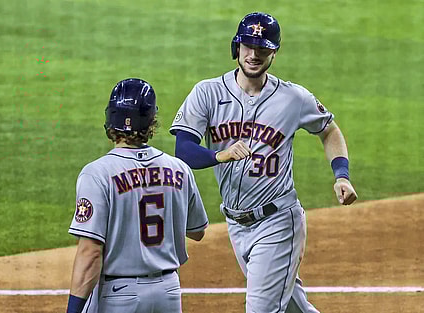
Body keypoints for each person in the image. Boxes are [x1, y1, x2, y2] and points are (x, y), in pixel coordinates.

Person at [170, 12, 358, 313]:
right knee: (295, 308)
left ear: (274, 52)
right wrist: (221, 155)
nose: (253, 55)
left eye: (262, 48)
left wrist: (342, 175)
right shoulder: (207, 93)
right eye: (247, 46)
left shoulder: (293, 98)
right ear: (236, 47)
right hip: (236, 223)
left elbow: (329, 129)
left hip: (278, 222)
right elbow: (184, 149)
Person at [66, 78, 208, 313]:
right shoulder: (179, 168)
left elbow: (90, 252)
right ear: (152, 121)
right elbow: (197, 231)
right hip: (168, 293)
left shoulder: (97, 172)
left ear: (110, 119)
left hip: (119, 296)